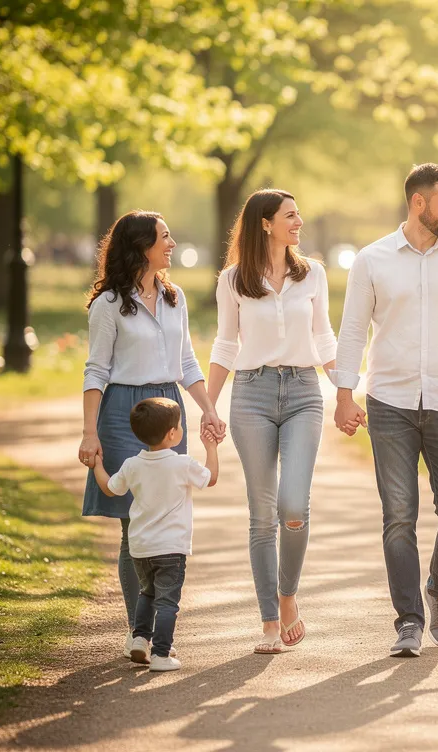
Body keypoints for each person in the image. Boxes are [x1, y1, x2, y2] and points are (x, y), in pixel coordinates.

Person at [332, 163, 438, 658]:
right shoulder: (372, 259)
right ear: (418, 203)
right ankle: (408, 620)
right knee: (398, 516)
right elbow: (352, 330)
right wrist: (345, 392)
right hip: (389, 401)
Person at [78, 211, 226, 662]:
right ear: (141, 245)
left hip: (167, 407)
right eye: (164, 237)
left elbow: (187, 362)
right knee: (133, 523)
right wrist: (89, 433)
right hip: (123, 411)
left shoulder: (174, 298)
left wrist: (209, 409)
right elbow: (96, 370)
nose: (172, 243)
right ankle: (140, 633)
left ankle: (148, 628)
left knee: (163, 515)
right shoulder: (108, 305)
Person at [206, 189, 337, 654]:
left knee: (294, 508)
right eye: (290, 215)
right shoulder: (233, 280)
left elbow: (324, 337)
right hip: (252, 395)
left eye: (298, 213)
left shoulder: (312, 273)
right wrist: (209, 404)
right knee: (262, 516)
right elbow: (225, 344)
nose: (298, 221)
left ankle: (288, 598)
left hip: (304, 392)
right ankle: (268, 622)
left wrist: (345, 393)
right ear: (265, 223)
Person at [92, 397, 219, 671]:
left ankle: (140, 639)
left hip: (140, 548)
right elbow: (211, 477)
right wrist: (211, 448)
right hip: (171, 549)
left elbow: (110, 488)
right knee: (168, 603)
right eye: (180, 425)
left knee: (147, 595)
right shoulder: (182, 463)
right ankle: (161, 655)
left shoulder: (132, 465)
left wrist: (97, 466)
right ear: (172, 434)